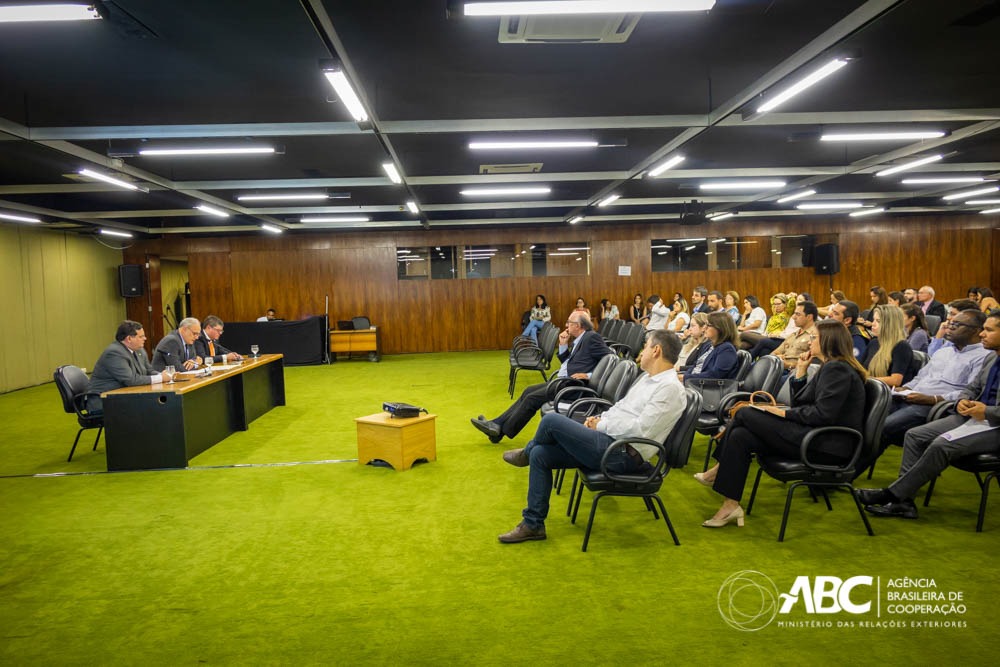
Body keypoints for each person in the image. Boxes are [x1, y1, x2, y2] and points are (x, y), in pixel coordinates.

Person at [496, 329, 687, 543]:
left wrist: (602, 425)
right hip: (610, 443)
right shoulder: (648, 379)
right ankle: (533, 524)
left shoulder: (669, 389)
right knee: (541, 454)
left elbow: (640, 429)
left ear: (656, 350)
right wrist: (598, 418)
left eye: (646, 347)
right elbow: (621, 407)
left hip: (622, 454)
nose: (641, 352)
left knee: (550, 422)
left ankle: (525, 453)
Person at [696, 320, 868, 528]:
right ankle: (730, 505)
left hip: (826, 446)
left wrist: (781, 413)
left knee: (746, 413)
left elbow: (822, 415)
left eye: (814, 338)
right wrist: (801, 373)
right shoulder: (829, 367)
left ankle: (718, 468)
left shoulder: (837, 370)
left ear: (829, 342)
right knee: (741, 436)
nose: (809, 342)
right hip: (814, 435)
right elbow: (804, 404)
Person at [859, 310, 1000, 520]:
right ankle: (904, 502)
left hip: (993, 424)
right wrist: (963, 400)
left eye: (989, 330)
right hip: (971, 415)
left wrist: (984, 410)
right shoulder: (991, 358)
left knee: (941, 444)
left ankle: (895, 495)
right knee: (915, 435)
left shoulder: (982, 356)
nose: (982, 335)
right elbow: (972, 387)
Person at [471, 313, 611, 443]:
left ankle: (499, 430)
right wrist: (563, 345)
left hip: (573, 386)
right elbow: (570, 363)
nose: (566, 325)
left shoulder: (591, 337)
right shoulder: (580, 339)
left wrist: (589, 375)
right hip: (565, 381)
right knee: (528, 391)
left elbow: (611, 358)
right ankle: (497, 426)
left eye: (569, 322)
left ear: (578, 326)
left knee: (532, 399)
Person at [874, 309, 991, 454]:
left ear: (976, 331)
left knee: (883, 427)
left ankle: (849, 471)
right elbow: (921, 377)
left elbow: (971, 392)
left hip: (935, 406)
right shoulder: (943, 351)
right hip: (911, 397)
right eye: (950, 323)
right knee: (871, 420)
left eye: (957, 324)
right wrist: (905, 387)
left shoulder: (984, 357)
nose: (950, 327)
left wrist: (933, 399)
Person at [86, 320, 164, 414]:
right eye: (141, 336)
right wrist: (161, 378)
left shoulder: (139, 350)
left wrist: (164, 375)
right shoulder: (114, 353)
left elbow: (149, 370)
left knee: (157, 406)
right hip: (104, 402)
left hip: (124, 398)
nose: (145, 338)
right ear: (129, 339)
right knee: (152, 409)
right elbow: (130, 380)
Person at [862, 304, 916, 388]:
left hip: (888, 396)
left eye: (878, 321)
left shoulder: (901, 346)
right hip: (870, 388)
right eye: (873, 320)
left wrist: (866, 379)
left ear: (890, 324)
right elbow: (861, 368)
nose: (873, 324)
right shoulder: (874, 342)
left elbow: (895, 380)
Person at [678, 311, 739, 381]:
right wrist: (683, 376)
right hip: (693, 382)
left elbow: (715, 375)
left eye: (708, 325)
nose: (704, 328)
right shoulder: (710, 346)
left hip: (706, 387)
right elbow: (696, 365)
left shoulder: (727, 349)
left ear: (720, 328)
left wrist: (684, 378)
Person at [768, 301, 818, 373]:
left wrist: (787, 365)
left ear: (809, 317)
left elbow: (813, 363)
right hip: (779, 367)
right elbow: (776, 352)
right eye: (794, 313)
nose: (793, 317)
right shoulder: (793, 334)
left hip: (793, 372)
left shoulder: (815, 336)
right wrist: (774, 358)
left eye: (798, 314)